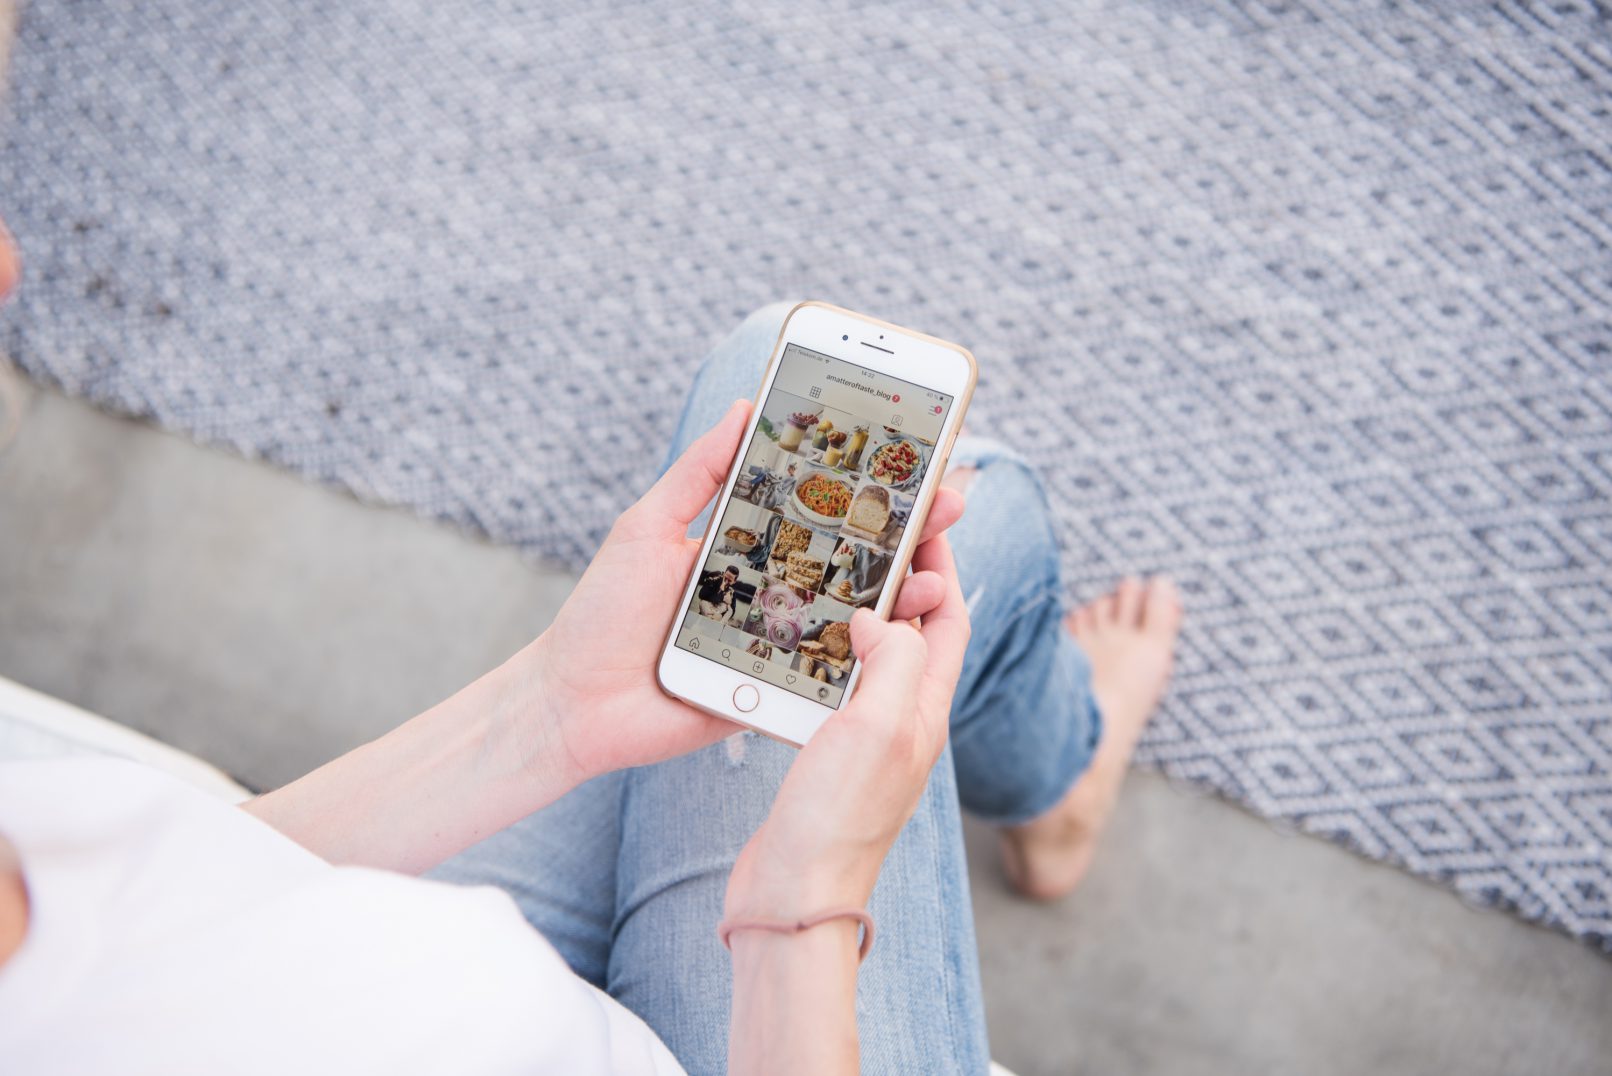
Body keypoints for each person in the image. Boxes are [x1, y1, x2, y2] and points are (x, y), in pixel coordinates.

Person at [0, 301, 1181, 1074]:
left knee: (775, 376)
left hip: (409, 980)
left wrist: (548, 709)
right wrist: (803, 899)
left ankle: (1052, 779)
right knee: (978, 511)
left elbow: (174, 901)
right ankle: (1059, 776)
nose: (10, 264)